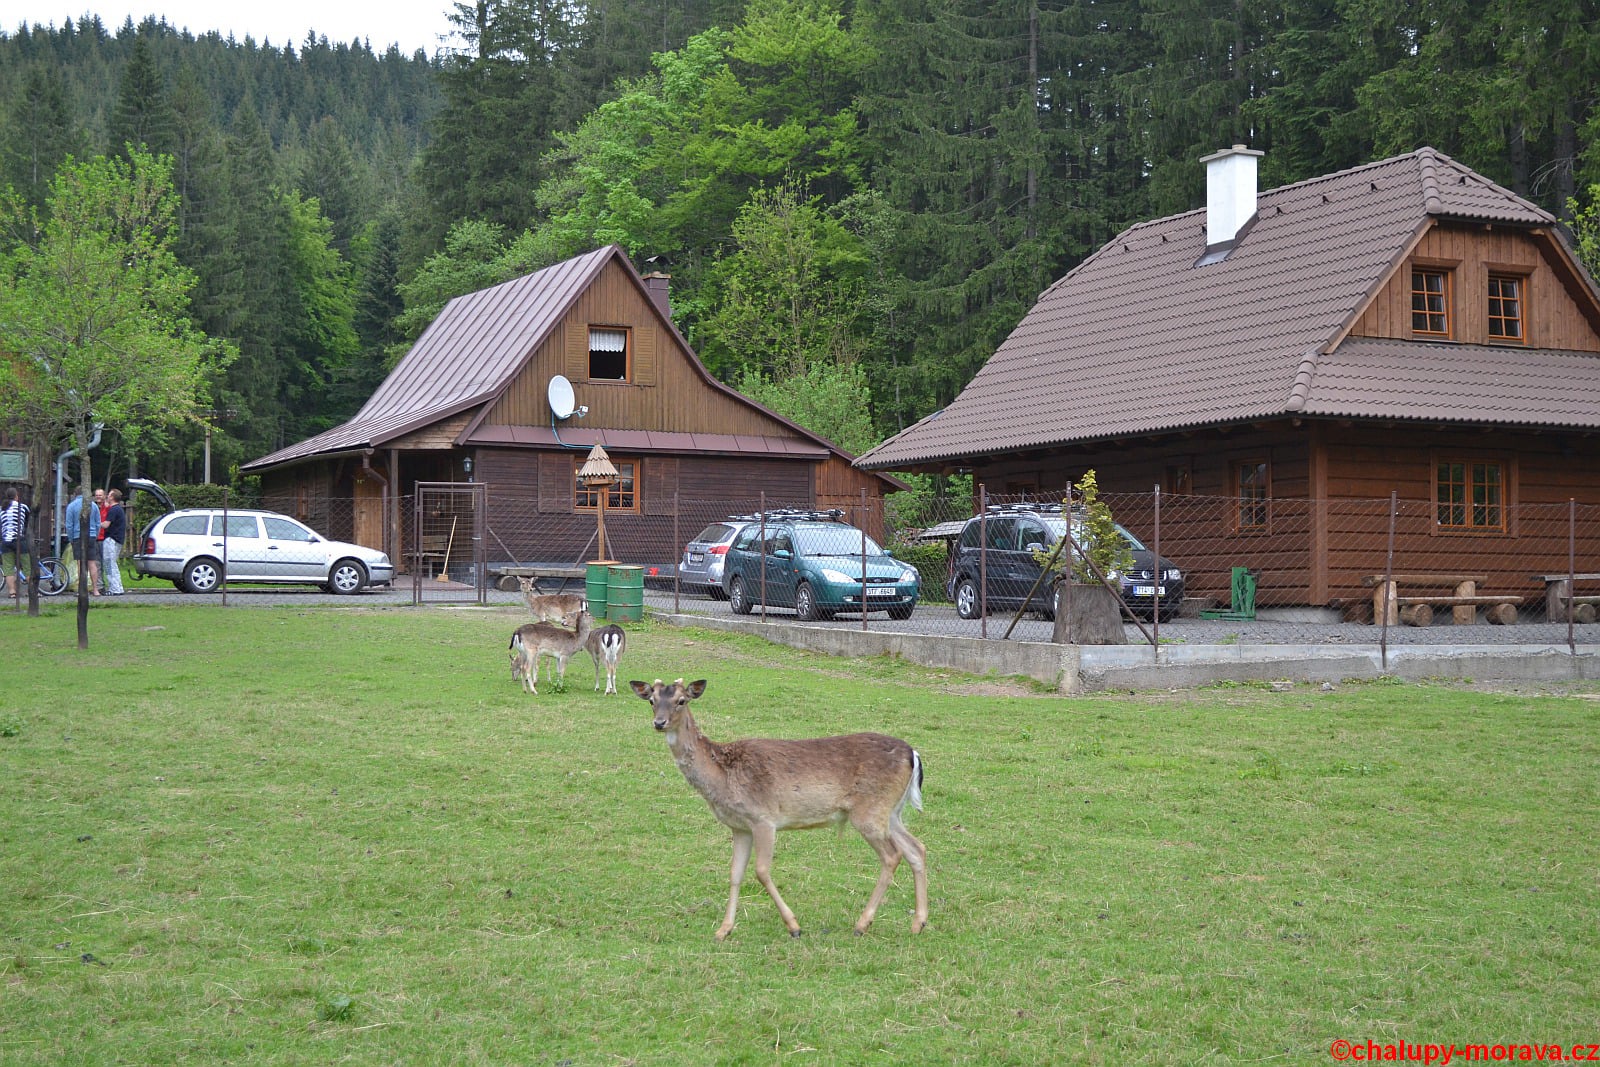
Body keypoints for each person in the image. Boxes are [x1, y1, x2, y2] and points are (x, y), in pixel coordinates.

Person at [1, 487, 28, 599]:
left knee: (8, 568)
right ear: (16, 496)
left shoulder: (2, 509)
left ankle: (12, 592)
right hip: (19, 540)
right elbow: (27, 523)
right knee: (27, 566)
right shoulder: (23, 507)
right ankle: (32, 591)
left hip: (6, 541)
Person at [100, 488, 126, 596]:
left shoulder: (113, 510)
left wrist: (96, 523)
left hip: (111, 540)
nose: (107, 496)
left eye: (109, 495)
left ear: (112, 497)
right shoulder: (118, 509)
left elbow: (106, 525)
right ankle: (118, 587)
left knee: (109, 564)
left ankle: (114, 588)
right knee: (112, 563)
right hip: (117, 539)